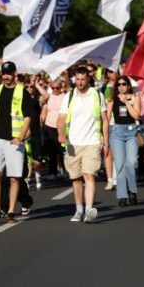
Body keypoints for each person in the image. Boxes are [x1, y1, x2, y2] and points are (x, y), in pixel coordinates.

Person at [0, 61, 35, 224]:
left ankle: (10, 211)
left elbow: (27, 117)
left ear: (14, 73)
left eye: (9, 73)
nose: (6, 76)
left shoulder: (22, 92)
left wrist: (20, 137)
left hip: (14, 141)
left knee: (14, 177)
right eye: (4, 73)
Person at [57, 66, 110, 223]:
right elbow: (61, 118)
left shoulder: (97, 95)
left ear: (88, 79)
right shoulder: (69, 96)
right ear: (75, 80)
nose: (80, 83)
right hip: (73, 142)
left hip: (92, 142)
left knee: (89, 175)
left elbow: (105, 119)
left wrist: (105, 141)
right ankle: (78, 210)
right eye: (77, 80)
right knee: (76, 178)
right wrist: (61, 133)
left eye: (83, 79)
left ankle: (89, 210)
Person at [107, 75, 141, 207]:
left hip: (132, 131)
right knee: (120, 165)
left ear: (128, 86)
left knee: (131, 162)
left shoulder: (134, 97)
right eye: (119, 84)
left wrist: (127, 102)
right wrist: (104, 137)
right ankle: (122, 194)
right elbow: (107, 117)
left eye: (124, 84)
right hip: (117, 132)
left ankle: (132, 191)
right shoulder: (111, 99)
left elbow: (137, 115)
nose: (121, 86)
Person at [41, 77, 66, 180]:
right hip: (49, 126)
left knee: (62, 150)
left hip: (61, 126)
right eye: (53, 88)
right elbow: (44, 111)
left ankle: (65, 170)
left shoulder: (65, 96)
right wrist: (41, 124)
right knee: (52, 151)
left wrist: (66, 77)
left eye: (57, 87)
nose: (55, 89)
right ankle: (52, 172)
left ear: (61, 87)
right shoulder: (48, 97)